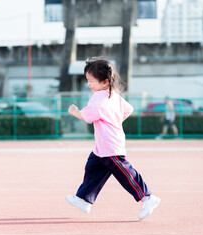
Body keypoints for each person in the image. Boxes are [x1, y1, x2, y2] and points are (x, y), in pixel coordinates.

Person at [66, 57, 160, 220]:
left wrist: (75, 112)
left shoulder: (98, 97)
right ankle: (84, 200)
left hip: (110, 146)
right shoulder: (113, 96)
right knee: (92, 169)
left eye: (91, 81)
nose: (89, 84)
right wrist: (116, 121)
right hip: (102, 147)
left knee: (125, 174)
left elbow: (88, 117)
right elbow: (128, 109)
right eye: (87, 80)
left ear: (104, 82)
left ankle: (147, 198)